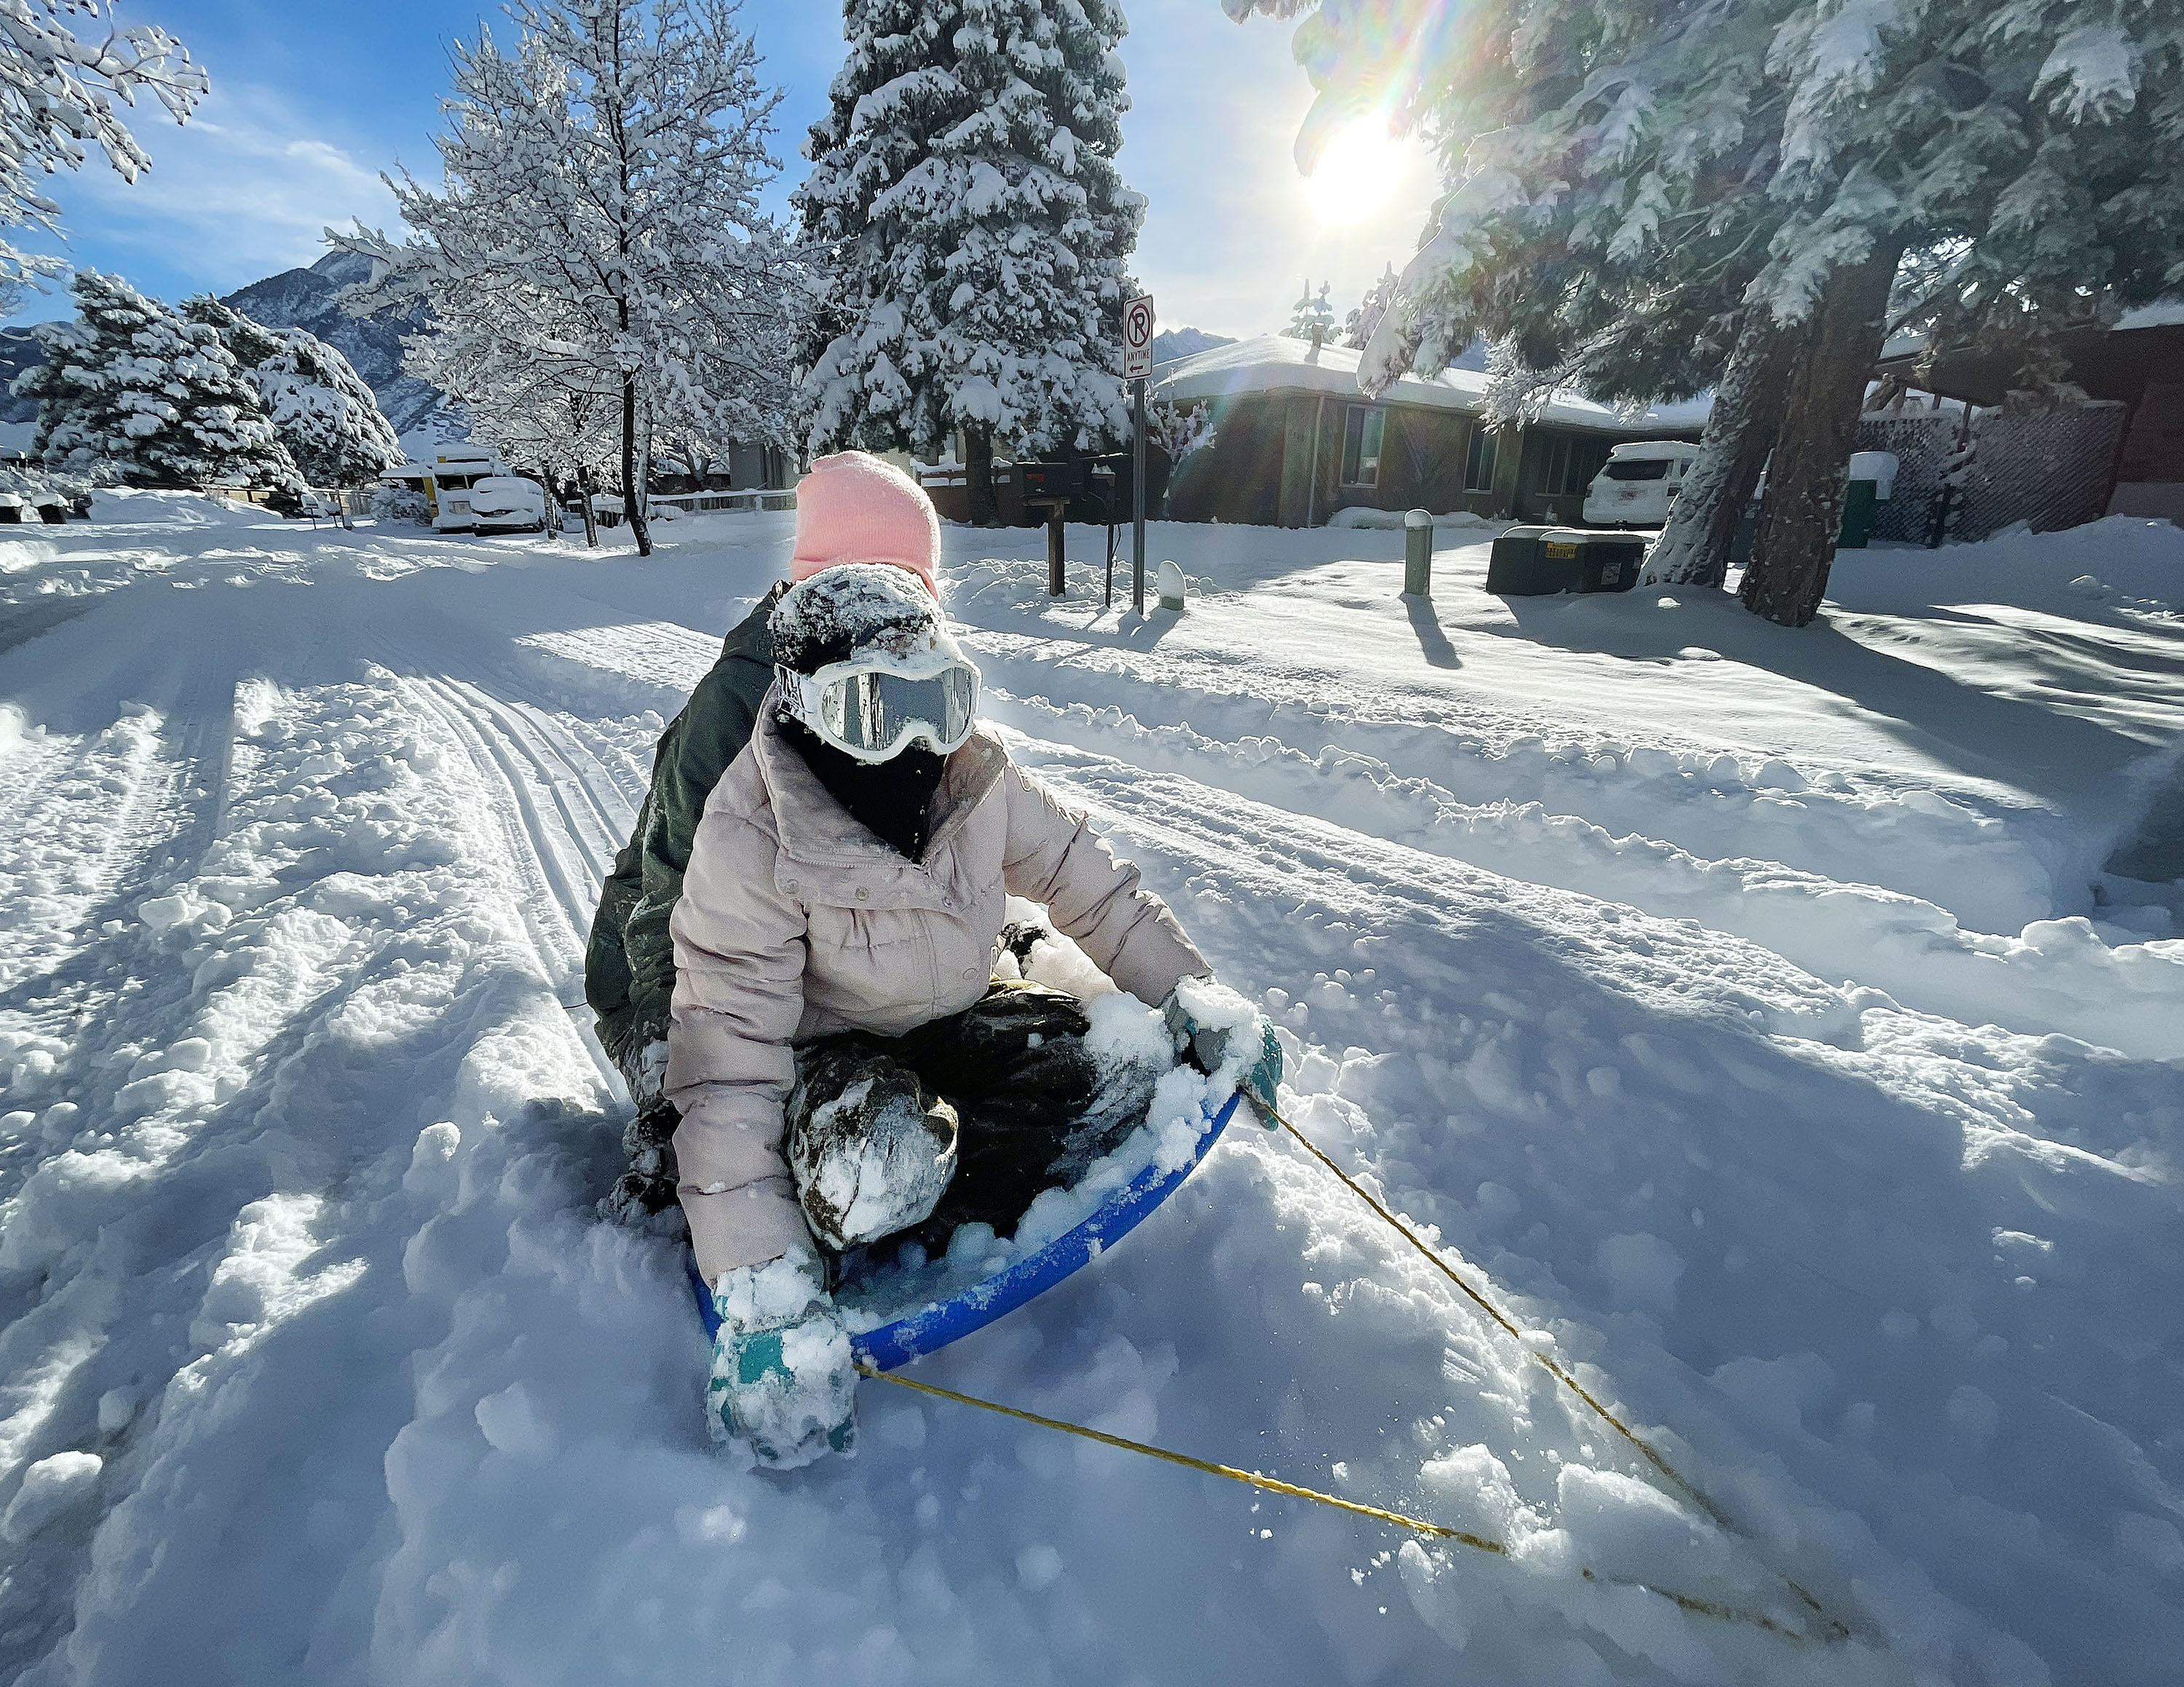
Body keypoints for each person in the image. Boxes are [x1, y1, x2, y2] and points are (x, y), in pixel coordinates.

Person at [667, 557, 1281, 1468]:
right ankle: (846, 1204)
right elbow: (728, 1055)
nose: (917, 743)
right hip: (838, 1054)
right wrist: (760, 1285)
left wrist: (1189, 991)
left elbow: (1090, 884)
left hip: (959, 1009)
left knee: (1101, 1067)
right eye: (879, 711)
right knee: (875, 1164)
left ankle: (937, 1188)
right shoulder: (753, 836)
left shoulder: (974, 781)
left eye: (940, 702)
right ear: (805, 708)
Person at [584, 453, 945, 1219]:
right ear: (823, 589)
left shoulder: (895, 683)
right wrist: (696, 1072)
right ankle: (678, 1171)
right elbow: (664, 898)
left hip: (797, 952)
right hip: (666, 962)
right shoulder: (740, 704)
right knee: (763, 1095)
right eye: (880, 583)